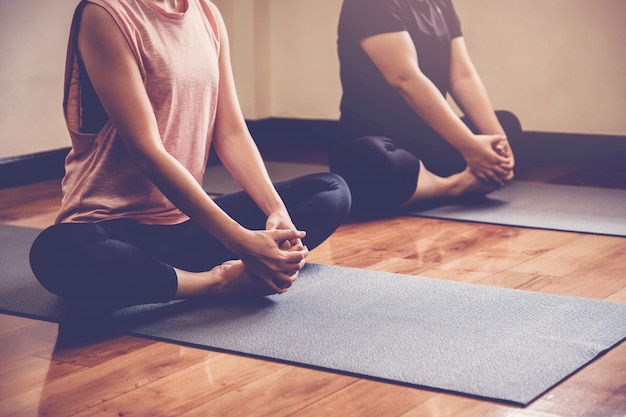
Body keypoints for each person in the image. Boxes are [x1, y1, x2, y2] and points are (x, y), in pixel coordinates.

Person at [29, 0, 351, 313]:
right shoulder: (104, 14)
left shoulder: (207, 14)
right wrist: (242, 242)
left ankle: (171, 279)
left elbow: (231, 133)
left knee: (330, 191)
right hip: (113, 231)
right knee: (57, 254)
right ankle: (218, 281)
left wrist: (276, 212)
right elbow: (148, 153)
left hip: (188, 226)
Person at [329, 0, 516, 218]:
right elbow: (406, 79)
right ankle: (455, 186)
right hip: (379, 145)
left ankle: (426, 185)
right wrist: (470, 148)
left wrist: (499, 146)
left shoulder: (441, 3)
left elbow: (463, 76)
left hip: (430, 138)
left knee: (507, 125)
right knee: (374, 163)